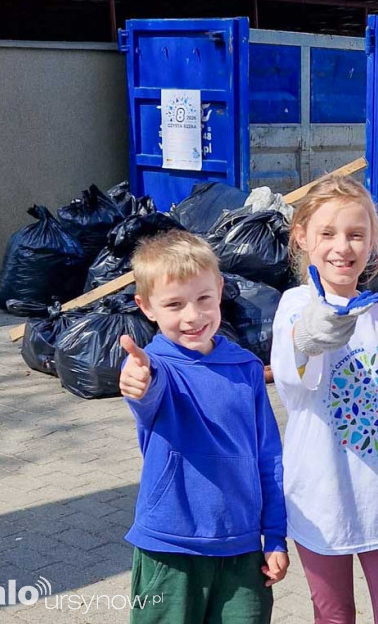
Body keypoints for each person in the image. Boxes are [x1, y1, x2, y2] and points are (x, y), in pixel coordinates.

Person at [271, 175, 378, 624]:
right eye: (327, 233)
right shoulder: (293, 305)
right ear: (302, 237)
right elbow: (293, 368)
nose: (342, 246)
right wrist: (311, 332)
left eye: (356, 235)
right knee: (334, 616)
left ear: (372, 245)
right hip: (320, 503)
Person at [119, 230, 288, 624]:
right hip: (169, 551)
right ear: (146, 307)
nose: (192, 316)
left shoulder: (245, 368)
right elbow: (145, 390)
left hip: (242, 550)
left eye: (203, 299)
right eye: (174, 304)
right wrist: (135, 381)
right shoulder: (156, 367)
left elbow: (269, 458)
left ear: (220, 290)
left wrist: (276, 535)